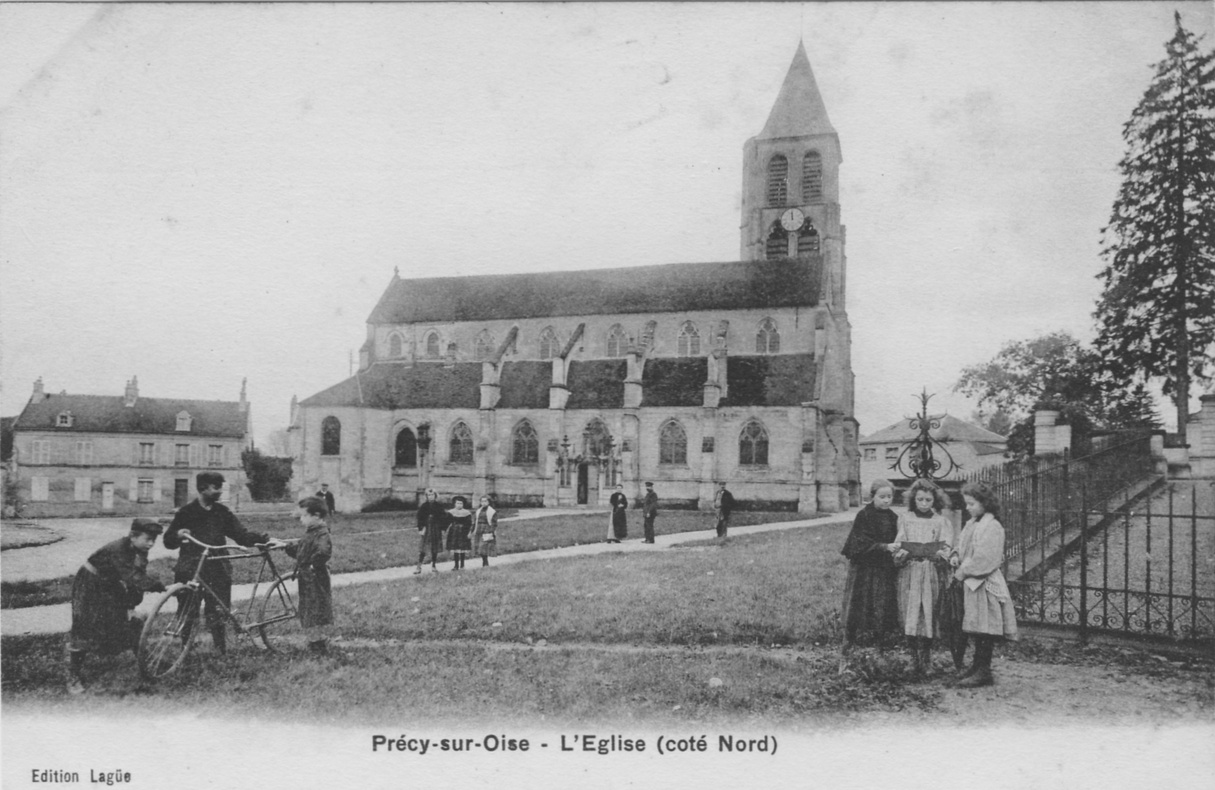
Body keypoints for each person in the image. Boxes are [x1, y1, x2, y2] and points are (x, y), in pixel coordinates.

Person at [163, 471, 269, 655]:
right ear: (203, 488)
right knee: (188, 611)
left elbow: (241, 535)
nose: (220, 491)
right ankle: (184, 651)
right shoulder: (186, 512)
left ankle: (221, 650)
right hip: (191, 568)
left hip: (217, 567)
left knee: (218, 612)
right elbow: (168, 541)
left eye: (221, 487)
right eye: (216, 487)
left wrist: (262, 539)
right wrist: (177, 535)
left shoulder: (222, 512)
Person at [66, 519, 167, 693]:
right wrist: (160, 586)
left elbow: (137, 577)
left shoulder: (139, 550)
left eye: (154, 540)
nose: (151, 544)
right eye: (148, 539)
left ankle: (146, 661)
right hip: (90, 584)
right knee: (85, 628)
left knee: (130, 621)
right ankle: (73, 675)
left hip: (110, 584)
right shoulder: (119, 549)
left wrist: (131, 603)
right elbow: (133, 578)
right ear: (133, 536)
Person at [949, 481, 1018, 688]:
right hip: (971, 583)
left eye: (971, 504)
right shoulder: (972, 524)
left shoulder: (992, 526)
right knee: (976, 627)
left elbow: (986, 558)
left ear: (984, 503)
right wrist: (955, 556)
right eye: (966, 504)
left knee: (986, 628)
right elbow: (962, 545)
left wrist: (962, 572)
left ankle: (983, 670)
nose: (967, 508)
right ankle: (976, 666)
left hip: (983, 583)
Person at [893, 478, 955, 677]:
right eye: (920, 499)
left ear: (934, 501)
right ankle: (913, 658)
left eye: (928, 500)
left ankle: (926, 658)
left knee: (928, 611)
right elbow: (899, 541)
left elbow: (946, 546)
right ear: (913, 499)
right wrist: (902, 553)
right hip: (910, 571)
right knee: (910, 611)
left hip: (930, 572)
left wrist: (940, 554)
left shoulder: (940, 521)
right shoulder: (905, 518)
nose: (924, 503)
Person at [839, 479, 901, 668]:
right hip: (864, 570)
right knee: (858, 606)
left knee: (881, 606)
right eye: (881, 497)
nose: (886, 501)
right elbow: (858, 544)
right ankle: (848, 647)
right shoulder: (864, 516)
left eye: (889, 497)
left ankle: (879, 647)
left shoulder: (893, 517)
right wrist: (883, 547)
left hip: (883, 570)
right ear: (872, 497)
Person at [286, 497, 334, 655]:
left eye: (304, 516)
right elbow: (301, 551)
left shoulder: (321, 533)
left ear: (317, 515)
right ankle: (315, 641)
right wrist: (287, 547)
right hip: (307, 578)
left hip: (315, 578)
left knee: (316, 609)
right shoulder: (310, 533)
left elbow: (323, 551)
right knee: (309, 609)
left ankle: (318, 644)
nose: (301, 520)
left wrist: (313, 565)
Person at [414, 488, 447, 574]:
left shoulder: (439, 506)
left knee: (434, 547)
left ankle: (433, 565)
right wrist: (421, 528)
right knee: (423, 547)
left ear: (435, 496)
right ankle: (419, 566)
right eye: (429, 495)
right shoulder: (424, 506)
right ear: (426, 496)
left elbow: (443, 517)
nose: (430, 497)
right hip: (427, 528)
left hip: (436, 528)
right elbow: (420, 517)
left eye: (432, 495)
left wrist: (443, 527)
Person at [445, 496, 473, 571]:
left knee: (462, 548)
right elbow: (447, 522)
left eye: (461, 503)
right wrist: (446, 529)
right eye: (457, 503)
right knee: (455, 548)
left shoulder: (467, 513)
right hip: (454, 532)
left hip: (463, 532)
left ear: (463, 504)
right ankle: (456, 565)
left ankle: (462, 565)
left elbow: (469, 524)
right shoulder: (451, 512)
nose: (459, 505)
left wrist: (469, 532)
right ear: (454, 504)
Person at [470, 495, 499, 567]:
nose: (483, 503)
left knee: (483, 546)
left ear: (489, 502)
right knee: (478, 546)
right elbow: (474, 521)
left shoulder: (492, 511)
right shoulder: (478, 511)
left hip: (486, 529)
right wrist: (472, 530)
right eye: (482, 501)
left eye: (485, 501)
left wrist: (491, 531)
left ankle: (485, 562)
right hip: (479, 529)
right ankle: (484, 560)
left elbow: (494, 523)